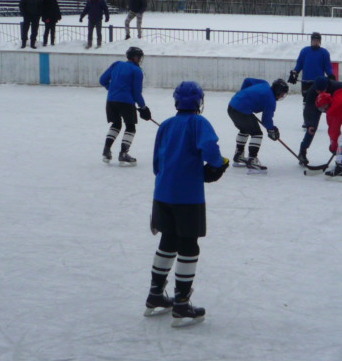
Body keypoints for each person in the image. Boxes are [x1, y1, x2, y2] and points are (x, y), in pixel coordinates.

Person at [145, 81, 229, 327]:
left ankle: (155, 294)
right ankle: (181, 304)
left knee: (168, 241)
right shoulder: (198, 123)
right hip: (187, 197)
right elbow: (210, 149)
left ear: (176, 101)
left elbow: (156, 162)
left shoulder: (168, 124)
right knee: (189, 247)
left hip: (162, 193)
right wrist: (218, 162)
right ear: (199, 102)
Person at [98, 47, 150, 166]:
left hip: (111, 101)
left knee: (116, 124)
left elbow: (102, 80)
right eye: (139, 57)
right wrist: (143, 108)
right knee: (130, 127)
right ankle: (123, 154)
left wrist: (111, 88)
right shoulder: (137, 71)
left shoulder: (116, 64)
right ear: (135, 57)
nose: (140, 59)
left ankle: (106, 150)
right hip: (126, 102)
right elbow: (137, 93)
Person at [227, 78, 288, 172]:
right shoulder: (270, 100)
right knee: (257, 133)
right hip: (242, 110)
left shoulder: (264, 83)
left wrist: (243, 95)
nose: (282, 96)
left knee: (244, 129)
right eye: (282, 94)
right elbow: (266, 120)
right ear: (278, 91)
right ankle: (252, 161)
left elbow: (247, 81)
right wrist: (271, 129)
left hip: (232, 106)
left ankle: (239, 156)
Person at [297, 76, 342, 166]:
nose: (320, 93)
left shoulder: (336, 86)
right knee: (312, 129)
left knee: (334, 128)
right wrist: (310, 124)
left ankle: (335, 149)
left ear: (327, 87)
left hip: (332, 106)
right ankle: (302, 151)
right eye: (318, 91)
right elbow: (308, 110)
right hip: (316, 107)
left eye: (322, 90)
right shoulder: (312, 91)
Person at [287, 32, 335, 127]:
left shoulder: (324, 52)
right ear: (311, 41)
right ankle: (306, 121)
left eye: (317, 40)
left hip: (318, 82)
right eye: (314, 40)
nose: (315, 42)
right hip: (306, 81)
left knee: (318, 102)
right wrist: (294, 73)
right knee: (306, 102)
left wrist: (331, 75)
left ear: (320, 42)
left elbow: (327, 66)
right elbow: (299, 64)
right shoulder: (305, 51)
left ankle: (314, 121)